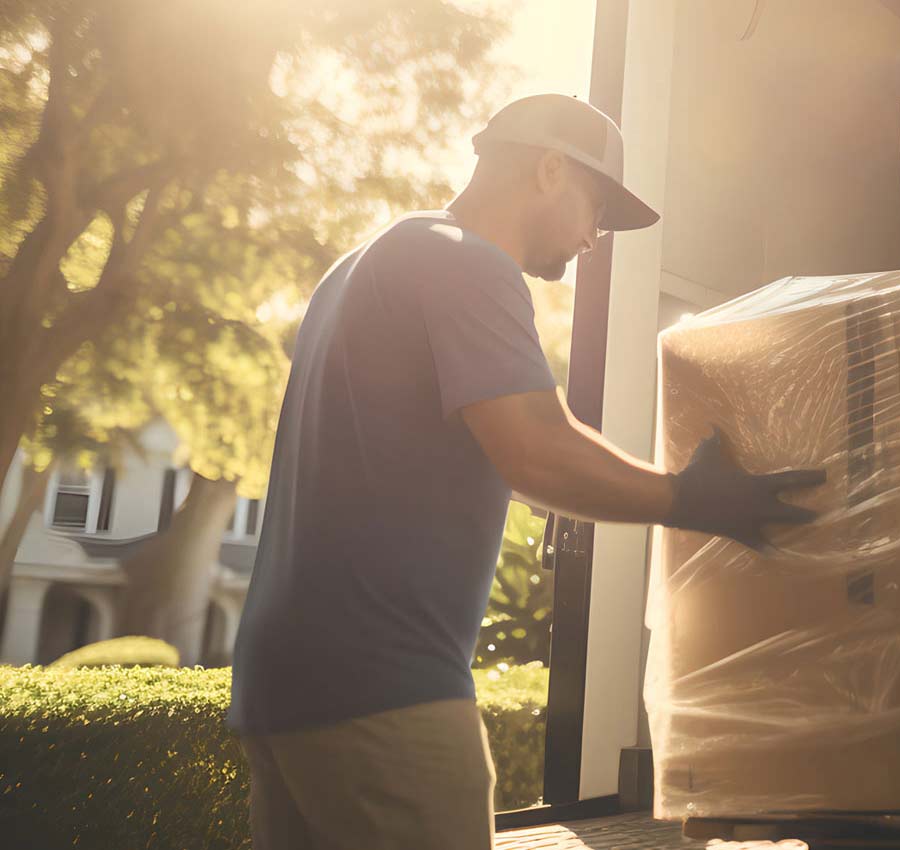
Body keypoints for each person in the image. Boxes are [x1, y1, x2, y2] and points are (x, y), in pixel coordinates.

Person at [227, 94, 823, 849]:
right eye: (597, 210)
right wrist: (690, 499)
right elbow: (538, 446)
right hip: (382, 691)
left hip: (282, 688)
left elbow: (463, 446)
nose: (594, 238)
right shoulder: (466, 261)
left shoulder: (367, 265)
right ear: (549, 170)